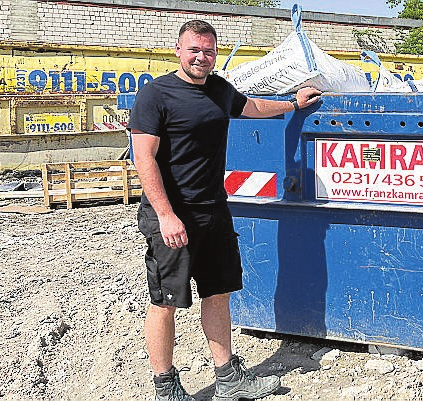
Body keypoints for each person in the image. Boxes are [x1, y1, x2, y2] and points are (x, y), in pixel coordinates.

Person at [128, 20, 321, 401]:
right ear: (178, 51)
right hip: (172, 215)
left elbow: (251, 106)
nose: (201, 57)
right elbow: (144, 159)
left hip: (214, 210)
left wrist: (293, 103)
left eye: (208, 50)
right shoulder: (155, 95)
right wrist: (166, 215)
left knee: (218, 293)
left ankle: (229, 380)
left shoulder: (218, 88)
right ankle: (165, 387)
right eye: (194, 50)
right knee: (165, 302)